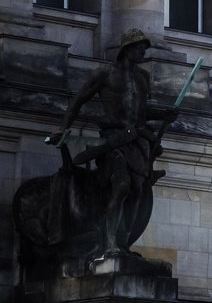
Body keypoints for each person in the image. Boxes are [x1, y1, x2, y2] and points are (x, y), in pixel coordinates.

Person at [51, 29, 179, 258]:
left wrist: (164, 115)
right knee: (121, 186)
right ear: (127, 49)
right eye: (140, 48)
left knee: (138, 190)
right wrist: (63, 129)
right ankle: (107, 242)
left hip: (137, 140)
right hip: (113, 139)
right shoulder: (105, 73)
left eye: (144, 49)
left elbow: (140, 112)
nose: (143, 52)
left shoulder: (142, 77)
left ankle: (122, 244)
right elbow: (79, 100)